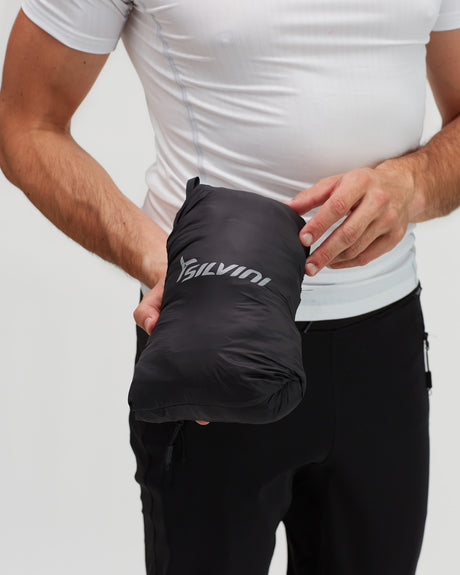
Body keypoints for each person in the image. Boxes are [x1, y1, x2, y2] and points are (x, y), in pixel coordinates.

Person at [0, 1, 459, 573]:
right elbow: (27, 124)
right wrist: (170, 263)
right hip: (210, 338)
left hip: (382, 351)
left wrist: (412, 182)